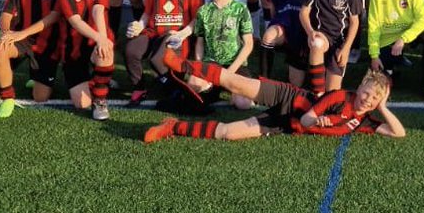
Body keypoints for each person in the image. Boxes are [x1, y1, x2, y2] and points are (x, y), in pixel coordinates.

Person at [143, 55, 403, 143]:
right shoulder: (340, 96)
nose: (367, 100)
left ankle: (172, 126)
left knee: (228, 133)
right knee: (236, 83)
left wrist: (383, 107)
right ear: (359, 88)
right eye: (367, 93)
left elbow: (398, 133)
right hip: (288, 96)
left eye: (374, 99)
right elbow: (308, 118)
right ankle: (181, 64)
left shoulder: (365, 121)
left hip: (283, 122)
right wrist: (327, 120)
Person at [157, 0, 255, 110]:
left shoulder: (240, 9)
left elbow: (248, 44)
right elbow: (200, 43)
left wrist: (230, 71)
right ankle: (214, 88)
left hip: (234, 65)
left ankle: (233, 90)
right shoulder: (204, 10)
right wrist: (200, 65)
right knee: (193, 87)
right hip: (212, 63)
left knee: (243, 104)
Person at [123, 0, 203, 105]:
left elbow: (197, 19)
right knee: (131, 50)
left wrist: (182, 34)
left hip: (176, 36)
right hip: (153, 33)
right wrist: (139, 25)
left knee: (157, 60)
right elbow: (147, 13)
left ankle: (177, 87)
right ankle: (139, 87)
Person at [57, 0, 116, 121]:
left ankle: (100, 100)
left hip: (96, 41)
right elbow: (75, 21)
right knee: (81, 104)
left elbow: (98, 9)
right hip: (73, 47)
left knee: (105, 52)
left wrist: (102, 40)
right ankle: (99, 78)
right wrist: (100, 38)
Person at [299, 0, 362, 92]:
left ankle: (323, 84)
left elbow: (355, 22)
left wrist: (346, 49)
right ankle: (317, 93)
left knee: (332, 92)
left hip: (339, 42)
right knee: (316, 43)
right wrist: (310, 32)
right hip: (323, 35)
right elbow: (303, 12)